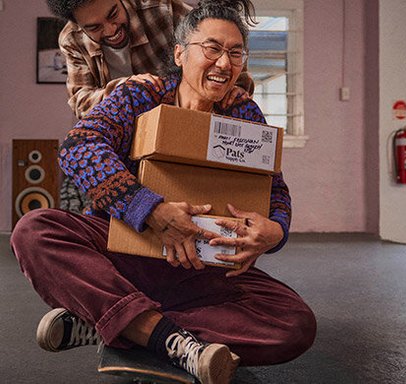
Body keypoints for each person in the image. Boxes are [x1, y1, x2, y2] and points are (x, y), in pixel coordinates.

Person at [11, 1, 316, 383]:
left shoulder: (245, 114)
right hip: (126, 252)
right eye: (211, 49)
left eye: (235, 52)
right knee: (34, 230)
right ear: (179, 53)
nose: (224, 63)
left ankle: (120, 322)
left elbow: (275, 189)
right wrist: (151, 210)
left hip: (201, 268)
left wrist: (276, 231)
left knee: (294, 324)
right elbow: (78, 147)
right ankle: (172, 343)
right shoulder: (141, 96)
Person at [46, 0, 254, 119]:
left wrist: (237, 85)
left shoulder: (160, 9)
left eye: (113, 14)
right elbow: (81, 103)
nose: (111, 30)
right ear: (78, 26)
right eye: (94, 27)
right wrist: (125, 90)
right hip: (124, 130)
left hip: (184, 121)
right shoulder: (72, 39)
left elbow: (220, 34)